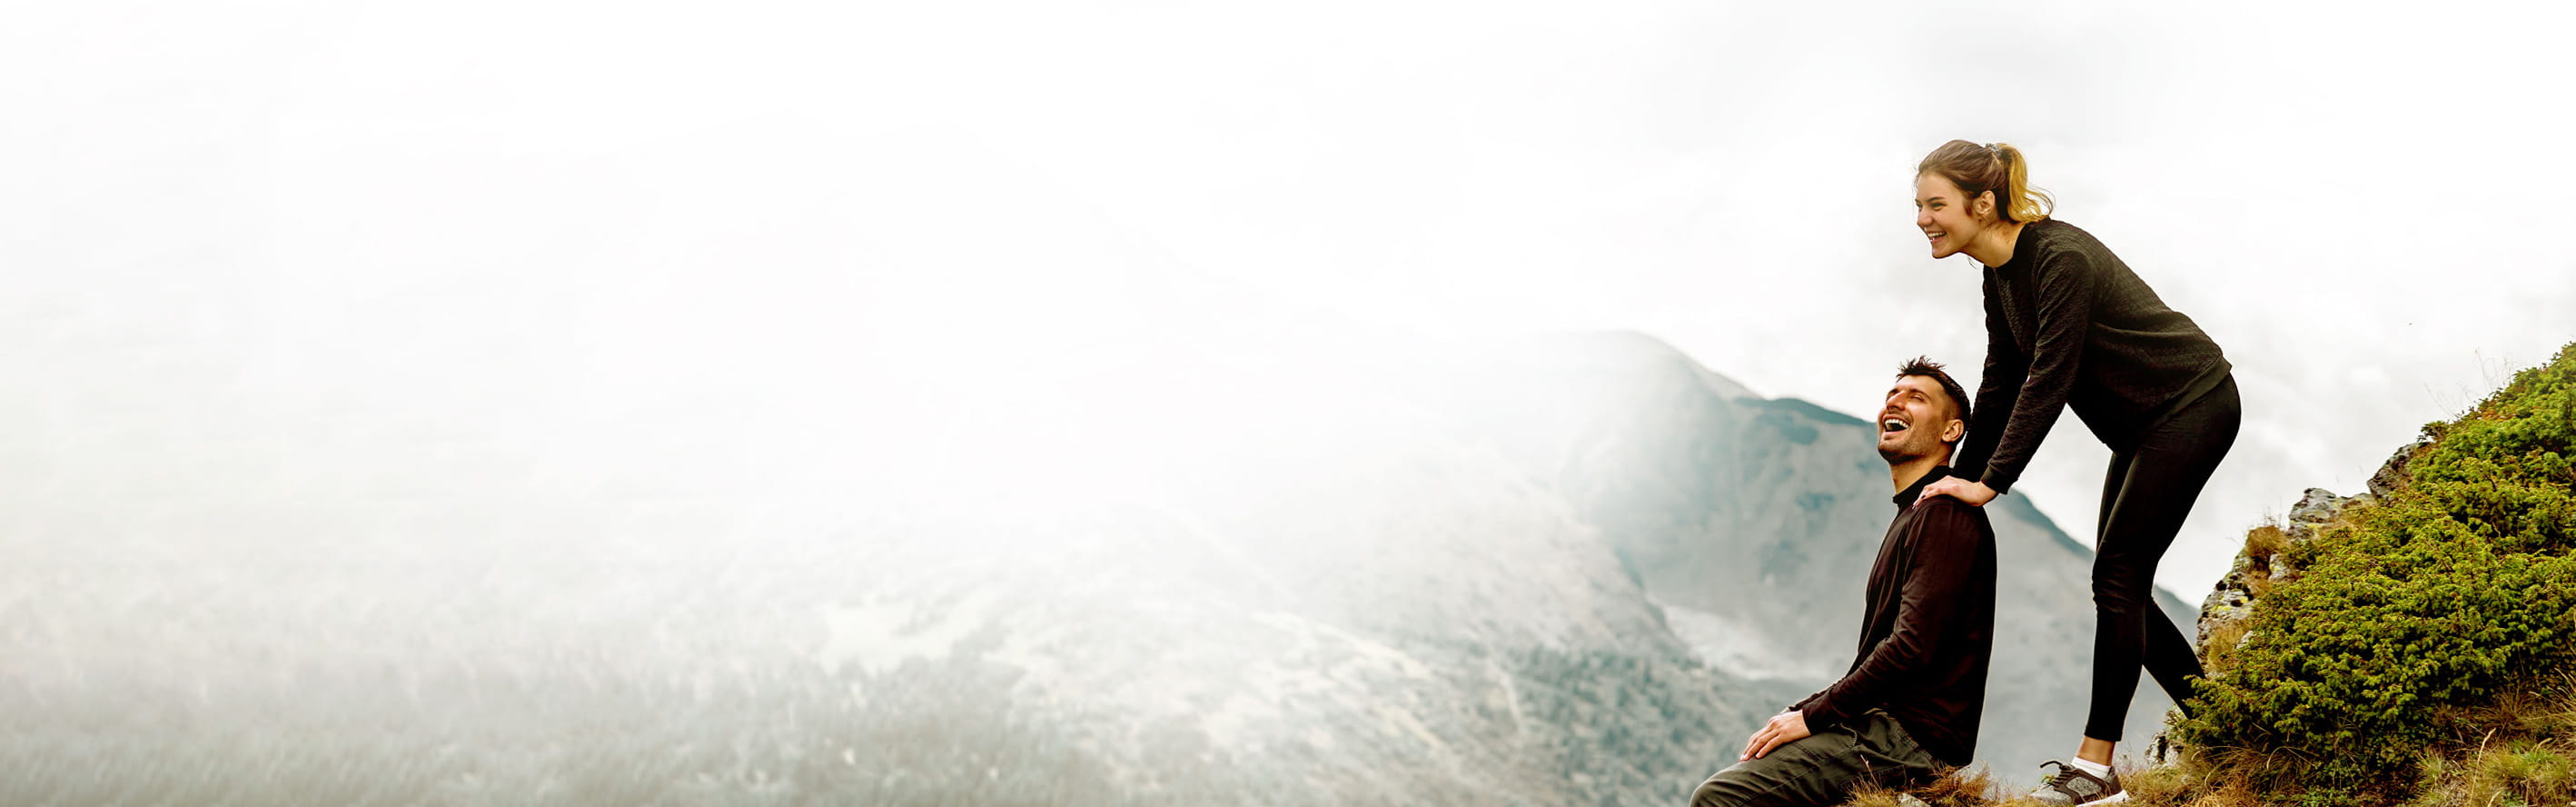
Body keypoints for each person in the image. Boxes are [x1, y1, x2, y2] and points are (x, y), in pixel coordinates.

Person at [1908, 140, 2241, 806]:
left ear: (1982, 203)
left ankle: (2095, 769)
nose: (1922, 219)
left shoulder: (2059, 257)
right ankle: (2227, 731)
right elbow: (2002, 381)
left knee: (2117, 576)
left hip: (2193, 403)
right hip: (2144, 428)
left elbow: (2048, 379)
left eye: (1935, 204)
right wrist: (1949, 485)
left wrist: (1989, 483)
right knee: (2122, 585)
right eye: (1918, 206)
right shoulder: (1997, 277)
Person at [1690, 358, 1997, 807]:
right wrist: (1805, 709)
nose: (1896, 402)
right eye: (1893, 395)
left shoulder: (1944, 514)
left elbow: (1912, 646)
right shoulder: (1915, 513)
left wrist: (1814, 717)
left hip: (1912, 738)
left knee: (1721, 798)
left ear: (1951, 431)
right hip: (1886, 725)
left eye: (1917, 397)